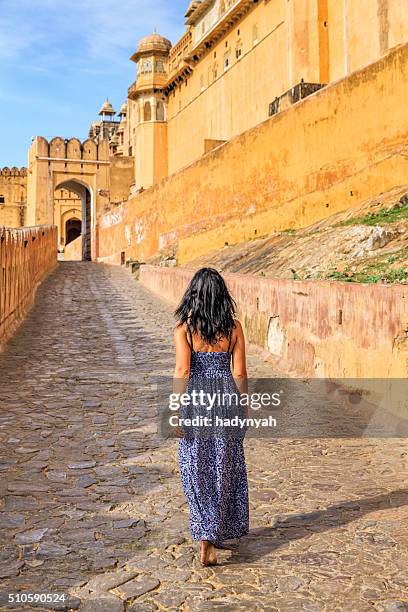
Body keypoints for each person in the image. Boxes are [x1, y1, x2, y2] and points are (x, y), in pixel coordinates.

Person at [173, 267, 249, 567]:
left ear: (193, 295)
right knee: (224, 466)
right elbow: (240, 371)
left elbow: (183, 371)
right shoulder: (233, 328)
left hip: (196, 399)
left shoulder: (185, 330)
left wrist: (175, 410)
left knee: (195, 466)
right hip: (225, 399)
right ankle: (215, 530)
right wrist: (244, 406)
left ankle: (205, 535)